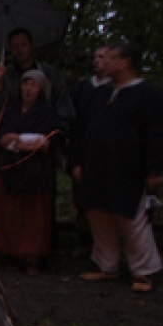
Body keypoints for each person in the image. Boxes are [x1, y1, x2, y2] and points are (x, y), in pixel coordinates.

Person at [72, 42, 163, 292]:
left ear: (125, 62)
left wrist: (154, 170)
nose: (104, 62)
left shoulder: (147, 95)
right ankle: (108, 266)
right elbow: (83, 129)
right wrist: (78, 161)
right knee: (98, 215)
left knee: (131, 218)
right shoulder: (102, 93)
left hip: (128, 168)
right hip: (96, 167)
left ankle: (143, 271)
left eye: (112, 58)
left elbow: (158, 134)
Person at [0, 70, 61, 275]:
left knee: (34, 215)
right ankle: (12, 254)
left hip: (35, 171)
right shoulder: (11, 108)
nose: (28, 89)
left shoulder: (46, 110)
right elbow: (1, 136)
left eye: (33, 85)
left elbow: (47, 141)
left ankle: (32, 257)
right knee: (11, 213)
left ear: (41, 89)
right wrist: (17, 140)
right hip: (11, 169)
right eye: (25, 84)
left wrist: (21, 141)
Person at [67, 46, 111, 258]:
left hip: (108, 158)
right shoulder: (81, 89)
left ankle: (107, 250)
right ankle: (86, 244)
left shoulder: (116, 90)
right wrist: (74, 161)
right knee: (83, 203)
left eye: (102, 57)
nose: (98, 61)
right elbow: (74, 126)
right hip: (84, 155)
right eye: (96, 56)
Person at [0, 28, 72, 127]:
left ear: (31, 46)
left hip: (46, 132)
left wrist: (59, 131)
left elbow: (63, 106)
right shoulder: (6, 76)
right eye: (15, 46)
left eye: (23, 45)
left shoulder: (50, 74)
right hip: (15, 134)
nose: (19, 49)